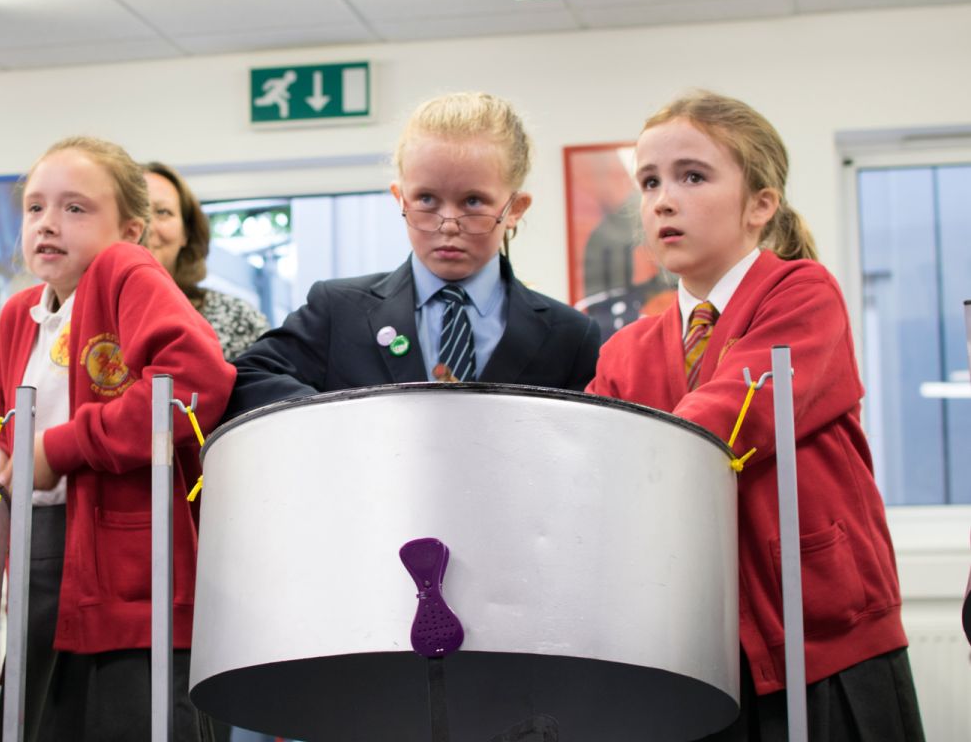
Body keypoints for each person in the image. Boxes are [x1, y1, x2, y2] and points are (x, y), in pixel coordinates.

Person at [587, 91, 923, 741]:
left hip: (824, 640)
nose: (661, 199)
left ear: (761, 204)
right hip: (696, 651)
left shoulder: (802, 292)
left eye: (692, 176)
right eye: (649, 181)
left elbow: (727, 417)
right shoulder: (626, 350)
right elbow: (590, 467)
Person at [0, 136, 234, 742]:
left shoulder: (124, 271)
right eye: (34, 207)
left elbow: (193, 383)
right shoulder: (19, 314)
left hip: (129, 572)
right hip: (41, 557)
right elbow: (10, 425)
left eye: (75, 209)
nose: (47, 224)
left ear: (131, 230)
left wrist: (61, 447)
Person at [226, 91, 601, 417]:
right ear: (399, 198)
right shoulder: (338, 310)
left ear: (515, 208)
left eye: (473, 201)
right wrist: (334, 420)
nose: (448, 223)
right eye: (427, 199)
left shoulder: (568, 335)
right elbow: (249, 377)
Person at [143, 161, 270, 361]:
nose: (146, 227)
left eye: (162, 212)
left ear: (186, 232)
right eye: (136, 212)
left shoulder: (237, 318)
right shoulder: (84, 317)